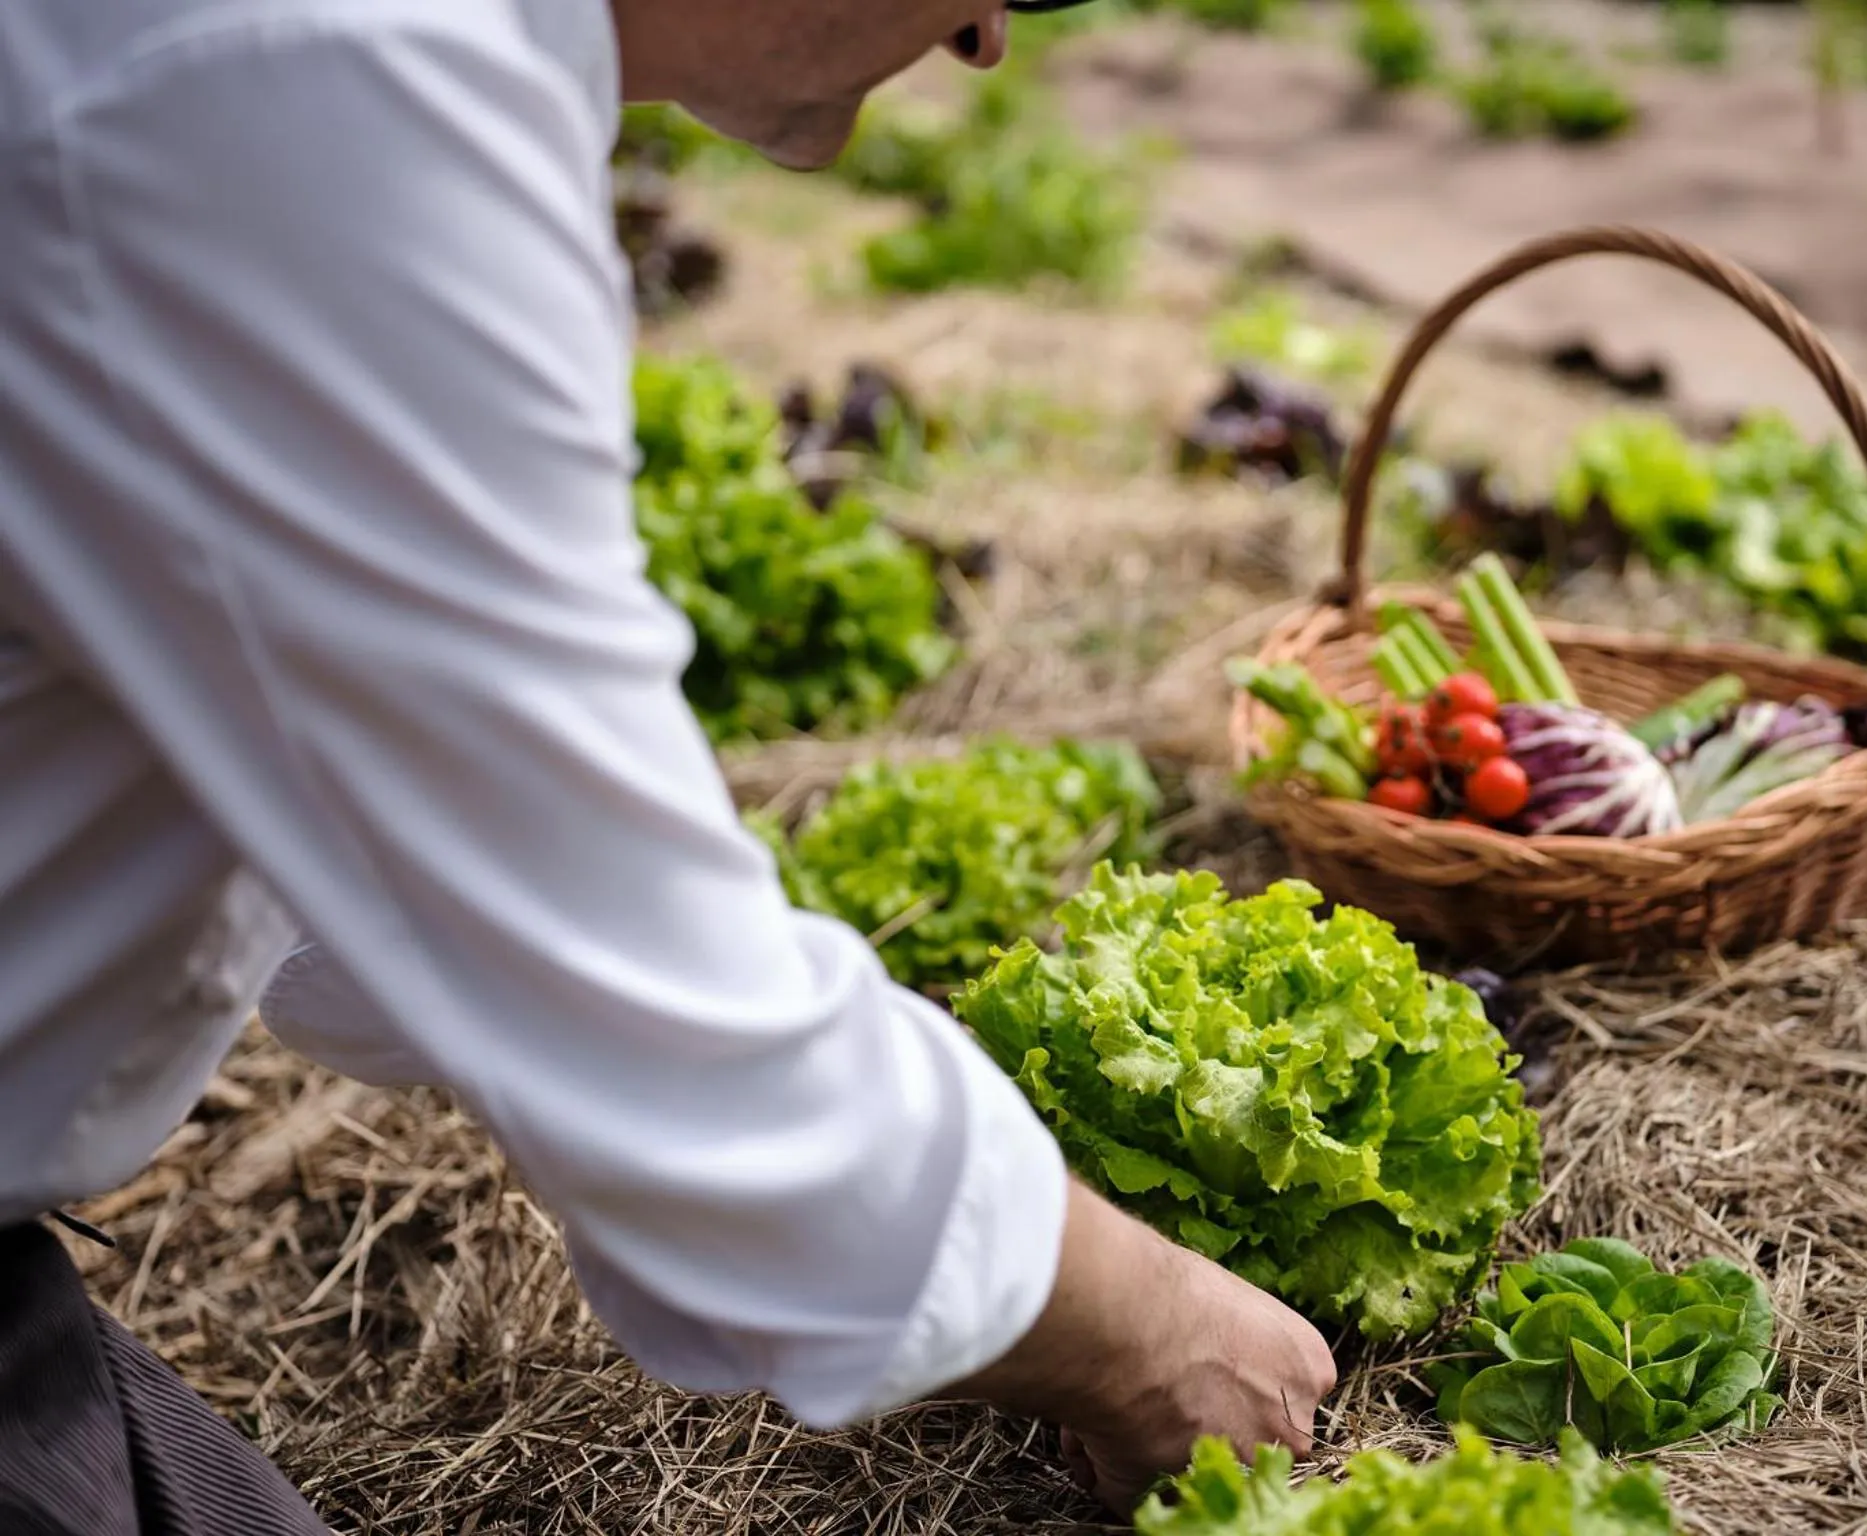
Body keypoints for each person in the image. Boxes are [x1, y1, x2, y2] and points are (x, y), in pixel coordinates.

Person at [0, 2, 1338, 1530]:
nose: (984, 38)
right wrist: (1158, 1340)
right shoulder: (307, 76)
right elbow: (649, 1033)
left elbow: (396, 868)